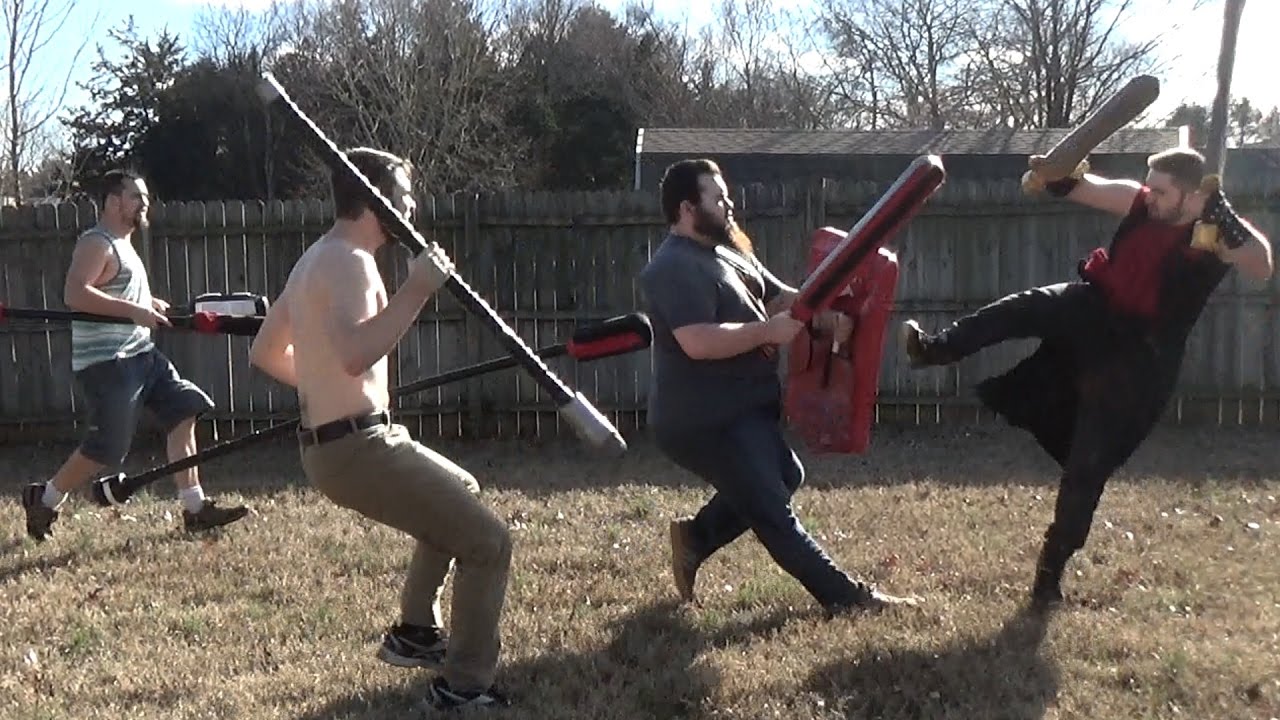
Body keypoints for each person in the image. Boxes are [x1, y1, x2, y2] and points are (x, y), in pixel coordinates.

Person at [899, 147, 1274, 610]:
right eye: (1150, 187)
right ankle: (936, 349)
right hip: (1095, 309)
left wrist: (1225, 218)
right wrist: (1055, 175)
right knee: (1028, 306)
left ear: (1192, 196)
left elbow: (1262, 264)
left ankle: (1050, 574)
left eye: (1161, 191)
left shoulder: (1215, 235)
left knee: (1088, 466)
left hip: (1140, 357)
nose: (1150, 196)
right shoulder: (1142, 203)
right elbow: (1086, 188)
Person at [248, 147, 511, 710]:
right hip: (357, 446)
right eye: (404, 197)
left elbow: (266, 352)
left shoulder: (313, 259)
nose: (412, 207)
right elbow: (354, 355)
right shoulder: (351, 262)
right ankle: (464, 686)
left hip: (337, 446)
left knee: (461, 491)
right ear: (375, 202)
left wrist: (321, 386)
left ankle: (415, 631)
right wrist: (417, 288)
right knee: (488, 542)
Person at [638, 158, 922, 616]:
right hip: (701, 419)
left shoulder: (728, 253)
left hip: (742, 407)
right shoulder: (672, 267)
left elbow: (782, 298)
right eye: (717, 197)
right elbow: (698, 341)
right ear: (687, 208)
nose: (729, 204)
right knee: (772, 510)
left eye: (727, 195)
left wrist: (826, 314)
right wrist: (767, 333)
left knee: (787, 476)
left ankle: (695, 537)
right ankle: (849, 599)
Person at [21, 169, 249, 541]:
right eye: (136, 197)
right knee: (107, 448)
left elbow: (115, 291)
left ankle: (195, 508)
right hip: (108, 362)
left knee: (184, 409)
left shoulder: (123, 244)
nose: (145, 203)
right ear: (114, 202)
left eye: (145, 197)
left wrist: (147, 302)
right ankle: (45, 499)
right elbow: (75, 294)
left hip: (142, 354)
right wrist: (133, 310)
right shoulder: (97, 243)